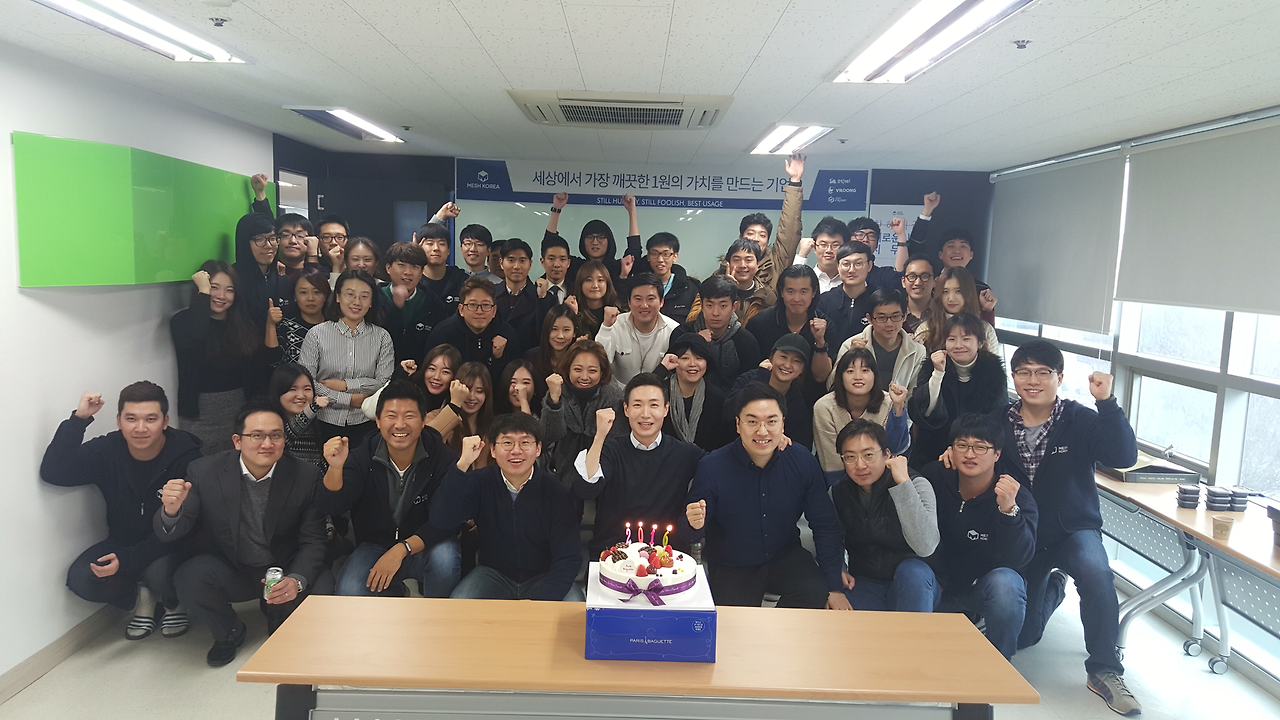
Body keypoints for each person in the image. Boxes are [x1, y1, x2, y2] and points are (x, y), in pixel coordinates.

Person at [995, 341, 1142, 716]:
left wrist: (1107, 403)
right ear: (1014, 376)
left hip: (1074, 528)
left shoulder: (1080, 419)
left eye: (1043, 372)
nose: (1033, 380)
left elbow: (1123, 456)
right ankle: (1053, 588)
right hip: (1025, 533)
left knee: (1096, 573)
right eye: (1024, 372)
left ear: (1059, 378)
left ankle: (1105, 669)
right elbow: (974, 451)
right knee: (1025, 637)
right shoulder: (999, 420)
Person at [157, 402, 332, 667]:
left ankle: (277, 612)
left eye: (276, 435)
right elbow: (176, 529)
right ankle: (229, 631)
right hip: (233, 566)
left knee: (322, 586)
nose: (267, 444)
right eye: (257, 435)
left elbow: (313, 540)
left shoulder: (305, 475)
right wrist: (171, 511)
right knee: (190, 577)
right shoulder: (204, 472)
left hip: (283, 565)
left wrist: (296, 580)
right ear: (237, 441)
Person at [42, 383, 203, 640]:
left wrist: (127, 560)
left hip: (172, 544)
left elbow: (188, 527)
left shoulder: (187, 456)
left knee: (158, 572)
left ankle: (172, 600)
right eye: (131, 419)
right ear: (119, 421)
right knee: (82, 577)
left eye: (150, 419)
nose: (140, 428)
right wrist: (78, 420)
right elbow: (54, 472)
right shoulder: (108, 450)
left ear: (165, 422)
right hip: (123, 540)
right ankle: (143, 599)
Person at [682, 382, 845, 609]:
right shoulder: (712, 467)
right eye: (752, 422)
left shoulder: (802, 461)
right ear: (738, 425)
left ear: (782, 423)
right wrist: (693, 525)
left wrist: (834, 584)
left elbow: (825, 524)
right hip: (732, 561)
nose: (762, 431)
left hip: (784, 554)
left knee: (814, 591)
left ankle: (777, 631)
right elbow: (688, 532)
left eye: (771, 421)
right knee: (733, 623)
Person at [319, 380, 462, 598]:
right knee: (349, 590)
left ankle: (437, 614)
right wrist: (335, 468)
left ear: (423, 420)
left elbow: (447, 521)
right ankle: (392, 590)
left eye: (409, 416)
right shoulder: (362, 456)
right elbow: (332, 506)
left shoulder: (442, 457)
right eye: (391, 416)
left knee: (445, 559)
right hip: (376, 545)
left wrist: (402, 548)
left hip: (425, 544)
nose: (400, 424)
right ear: (377, 421)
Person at [431, 414, 584, 601]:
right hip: (493, 574)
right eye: (507, 443)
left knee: (576, 608)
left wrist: (539, 599)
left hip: (545, 575)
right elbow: (442, 519)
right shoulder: (480, 482)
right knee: (459, 604)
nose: (516, 451)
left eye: (525, 443)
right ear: (493, 450)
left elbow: (569, 557)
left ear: (538, 449)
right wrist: (462, 465)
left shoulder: (555, 491)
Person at [923, 413, 1038, 661]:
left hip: (981, 588)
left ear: (997, 454)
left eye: (980, 447)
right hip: (936, 584)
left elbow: (1020, 559)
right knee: (912, 572)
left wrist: (1008, 512)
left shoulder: (1015, 495)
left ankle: (999, 666)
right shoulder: (933, 477)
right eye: (962, 445)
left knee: (1008, 586)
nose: (969, 454)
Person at [573, 373, 706, 556]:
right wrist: (600, 436)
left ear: (666, 409)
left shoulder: (686, 453)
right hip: (612, 554)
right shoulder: (610, 449)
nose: (645, 414)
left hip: (666, 558)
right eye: (637, 405)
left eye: (654, 405)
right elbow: (586, 489)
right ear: (626, 409)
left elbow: (717, 470)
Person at [830, 419, 939, 612]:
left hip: (915, 580)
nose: (860, 465)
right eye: (850, 457)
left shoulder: (916, 484)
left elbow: (926, 546)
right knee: (837, 616)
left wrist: (903, 484)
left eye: (868, 455)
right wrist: (839, 568)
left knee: (913, 573)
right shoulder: (838, 492)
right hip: (865, 580)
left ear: (887, 454)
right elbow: (830, 538)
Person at [171, 262, 266, 455]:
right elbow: (195, 336)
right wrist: (203, 293)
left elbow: (257, 375)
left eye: (229, 290)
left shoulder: (243, 325)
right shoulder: (183, 321)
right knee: (200, 468)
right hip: (198, 418)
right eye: (214, 287)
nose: (221, 296)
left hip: (239, 415)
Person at [300, 270, 395, 446]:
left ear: (371, 302)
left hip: (365, 422)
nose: (357, 302)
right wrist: (350, 399)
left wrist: (344, 385)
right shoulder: (316, 335)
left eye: (364, 296)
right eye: (350, 294)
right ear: (337, 297)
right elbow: (307, 384)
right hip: (323, 420)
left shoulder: (382, 337)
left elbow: (383, 382)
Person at [908, 313, 1008, 470]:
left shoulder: (994, 372)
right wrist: (938, 373)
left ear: (980, 343)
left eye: (966, 339)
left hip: (977, 451)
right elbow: (925, 413)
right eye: (952, 339)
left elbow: (996, 419)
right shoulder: (930, 367)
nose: (958, 345)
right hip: (933, 451)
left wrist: (961, 449)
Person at [540, 339, 626, 491]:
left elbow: (617, 444)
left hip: (601, 473)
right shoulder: (558, 390)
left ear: (602, 371)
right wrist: (554, 402)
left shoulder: (613, 396)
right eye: (578, 369)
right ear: (568, 369)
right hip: (561, 472)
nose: (584, 377)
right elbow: (548, 436)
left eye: (592, 371)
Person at [812, 349, 908, 471]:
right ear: (840, 377)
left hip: (882, 474)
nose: (858, 377)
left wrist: (898, 406)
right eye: (850, 371)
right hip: (840, 478)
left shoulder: (889, 402)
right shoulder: (824, 407)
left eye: (865, 370)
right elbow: (832, 463)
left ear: (875, 375)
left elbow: (895, 448)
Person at [669, 275, 762, 391]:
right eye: (709, 305)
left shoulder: (746, 342)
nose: (715, 313)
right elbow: (671, 374)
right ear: (701, 305)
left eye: (723, 306)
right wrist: (696, 342)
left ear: (734, 306)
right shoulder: (681, 334)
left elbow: (748, 386)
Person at [726, 334, 817, 450]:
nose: (787, 365)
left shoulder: (797, 402)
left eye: (796, 361)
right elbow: (729, 413)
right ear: (771, 358)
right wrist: (760, 380)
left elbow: (802, 443)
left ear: (802, 369)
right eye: (783, 357)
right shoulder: (748, 379)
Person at [747, 264, 833, 384]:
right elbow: (749, 372)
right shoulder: (759, 323)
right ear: (781, 292)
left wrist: (820, 342)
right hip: (765, 390)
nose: (796, 299)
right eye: (790, 291)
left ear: (813, 292)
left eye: (803, 291)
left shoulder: (825, 325)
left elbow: (821, 377)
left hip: (809, 394)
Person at [831, 287, 927, 392]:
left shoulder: (917, 351)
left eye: (895, 316)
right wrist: (850, 356)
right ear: (869, 319)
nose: (889, 324)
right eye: (881, 318)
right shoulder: (850, 345)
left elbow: (914, 394)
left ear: (904, 316)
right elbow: (832, 385)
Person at [424, 276, 516, 380]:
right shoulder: (442, 335)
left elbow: (510, 381)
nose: (479, 311)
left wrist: (499, 358)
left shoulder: (507, 334)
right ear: (461, 309)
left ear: (494, 311)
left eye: (486, 305)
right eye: (472, 305)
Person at [596, 273, 680, 384]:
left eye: (650, 299)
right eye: (638, 299)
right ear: (629, 302)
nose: (644, 305)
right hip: (619, 391)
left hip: (658, 391)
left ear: (661, 302)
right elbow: (599, 363)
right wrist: (606, 328)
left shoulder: (674, 330)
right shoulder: (615, 324)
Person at [740, 153, 805, 292]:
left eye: (762, 235)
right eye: (750, 233)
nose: (756, 239)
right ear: (740, 238)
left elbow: (789, 229)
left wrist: (794, 182)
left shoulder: (776, 264)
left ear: (767, 240)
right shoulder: (726, 269)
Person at [380, 242, 449, 368]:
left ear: (422, 272)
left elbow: (440, 347)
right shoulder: (374, 299)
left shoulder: (433, 304)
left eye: (415, 267)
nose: (408, 272)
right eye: (401, 265)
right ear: (388, 268)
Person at [657, 334, 731, 451]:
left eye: (699, 358)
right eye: (685, 358)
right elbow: (637, 393)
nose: (692, 364)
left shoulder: (716, 397)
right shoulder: (660, 392)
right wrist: (662, 369)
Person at [545, 192, 636, 285]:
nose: (595, 242)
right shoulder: (575, 266)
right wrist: (556, 210)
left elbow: (634, 251)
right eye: (590, 237)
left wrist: (632, 211)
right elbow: (549, 245)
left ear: (609, 241)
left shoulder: (618, 267)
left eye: (601, 237)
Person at [914, 266, 1000, 355]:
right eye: (945, 292)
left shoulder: (985, 329)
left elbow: (994, 362)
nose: (951, 298)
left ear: (969, 292)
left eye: (958, 291)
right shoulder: (926, 328)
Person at [816, 242, 877, 362]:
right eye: (846, 264)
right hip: (828, 366)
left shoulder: (878, 300)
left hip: (869, 367)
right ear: (838, 267)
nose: (851, 270)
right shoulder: (824, 301)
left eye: (858, 264)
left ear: (869, 266)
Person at [691, 239, 776, 324]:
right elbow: (691, 319)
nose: (742, 265)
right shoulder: (708, 289)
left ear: (758, 264)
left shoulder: (767, 297)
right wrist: (725, 289)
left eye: (748, 260)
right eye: (736, 260)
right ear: (728, 264)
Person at [622, 232, 700, 322]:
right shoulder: (638, 286)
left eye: (666, 254)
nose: (660, 260)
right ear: (648, 257)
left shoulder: (690, 289)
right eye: (654, 254)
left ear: (675, 257)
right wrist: (623, 275)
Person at [231, 212, 287, 328]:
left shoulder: (281, 278)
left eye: (272, 238)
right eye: (259, 239)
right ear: (245, 243)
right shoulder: (233, 279)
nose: (268, 245)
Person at [269, 363, 329, 472]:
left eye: (307, 389)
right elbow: (284, 437)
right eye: (293, 389)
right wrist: (312, 408)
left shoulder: (315, 425)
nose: (301, 396)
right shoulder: (268, 424)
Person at [266, 269, 331, 367]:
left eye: (317, 292)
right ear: (294, 296)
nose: (310, 298)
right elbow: (274, 362)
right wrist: (270, 325)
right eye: (303, 292)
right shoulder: (286, 327)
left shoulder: (335, 327)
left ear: (325, 296)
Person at [524, 304, 579, 413]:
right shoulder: (532, 357)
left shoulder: (578, 359)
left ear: (574, 333)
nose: (560, 336)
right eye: (554, 329)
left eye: (566, 330)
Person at [440, 362, 495, 469]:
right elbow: (427, 440)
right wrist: (455, 404)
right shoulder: (438, 416)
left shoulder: (495, 426)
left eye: (479, 391)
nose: (472, 397)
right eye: (467, 389)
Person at [494, 238, 544, 357]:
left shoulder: (542, 297)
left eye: (522, 260)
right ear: (501, 263)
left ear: (530, 264)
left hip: (529, 362)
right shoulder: (490, 294)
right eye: (511, 260)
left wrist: (542, 299)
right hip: (497, 359)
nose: (516, 266)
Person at [414, 220, 469, 311]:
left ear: (448, 250)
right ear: (419, 248)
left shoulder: (463, 280)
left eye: (442, 244)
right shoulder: (412, 281)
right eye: (430, 243)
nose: (436, 248)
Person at [847, 216, 909, 291]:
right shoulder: (841, 271)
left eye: (871, 236)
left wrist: (901, 235)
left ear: (877, 245)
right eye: (860, 235)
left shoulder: (881, 275)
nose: (865, 239)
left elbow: (900, 278)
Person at [792, 216, 848, 294]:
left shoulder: (851, 280)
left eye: (835, 245)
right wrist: (802, 254)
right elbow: (791, 286)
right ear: (814, 247)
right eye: (823, 244)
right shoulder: (807, 279)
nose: (829, 250)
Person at [567, 259, 619, 338]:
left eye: (600, 280)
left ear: (607, 284)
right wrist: (574, 315)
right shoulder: (572, 311)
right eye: (589, 280)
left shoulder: (616, 313)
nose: (595, 285)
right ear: (580, 284)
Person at [273, 213, 322, 296]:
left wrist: (312, 256)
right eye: (286, 235)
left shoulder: (322, 272)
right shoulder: (269, 271)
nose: (293, 241)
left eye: (300, 236)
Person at [536, 233, 573, 312]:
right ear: (542, 262)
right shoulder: (533, 291)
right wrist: (542, 298)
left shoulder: (577, 290)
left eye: (562, 259)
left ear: (568, 263)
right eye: (551, 259)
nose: (557, 265)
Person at [901, 255, 937, 334]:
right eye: (912, 276)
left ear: (935, 281)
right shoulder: (895, 314)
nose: (918, 282)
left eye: (924, 276)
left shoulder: (943, 313)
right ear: (903, 282)